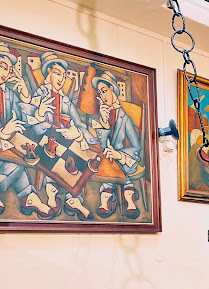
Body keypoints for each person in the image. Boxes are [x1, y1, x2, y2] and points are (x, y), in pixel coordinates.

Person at [29, 51, 98, 220]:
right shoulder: (39, 95)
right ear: (48, 74)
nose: (61, 79)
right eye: (57, 73)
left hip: (64, 141)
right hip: (44, 140)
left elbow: (79, 124)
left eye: (64, 75)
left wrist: (78, 133)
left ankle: (72, 199)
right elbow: (29, 122)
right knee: (53, 154)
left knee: (76, 159)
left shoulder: (66, 100)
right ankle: (52, 191)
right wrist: (39, 114)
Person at [0, 42, 53, 219]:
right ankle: (29, 196)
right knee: (18, 163)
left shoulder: (8, 93)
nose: (5, 73)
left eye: (8, 69)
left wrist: (26, 97)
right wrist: (3, 133)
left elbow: (23, 120)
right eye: (2, 66)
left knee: (19, 160)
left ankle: (28, 197)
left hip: (5, 149)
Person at [92, 70, 142, 219]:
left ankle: (127, 195)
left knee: (117, 167)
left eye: (104, 91)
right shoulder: (104, 114)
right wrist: (104, 123)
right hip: (107, 157)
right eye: (100, 93)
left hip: (122, 158)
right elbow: (103, 145)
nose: (103, 96)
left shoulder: (124, 118)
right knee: (102, 164)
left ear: (112, 88)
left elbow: (137, 147)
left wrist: (119, 155)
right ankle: (111, 196)